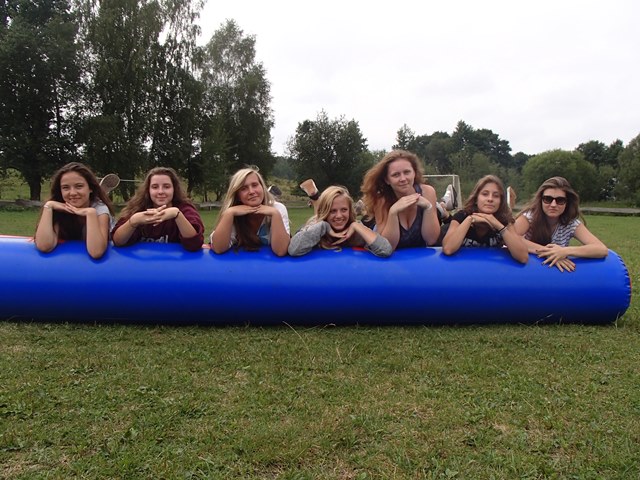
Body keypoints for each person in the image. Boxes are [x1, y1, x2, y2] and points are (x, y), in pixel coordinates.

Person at [514, 176, 608, 272]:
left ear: (567, 203)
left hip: (556, 275)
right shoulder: (529, 217)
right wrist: (549, 252)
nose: (553, 205)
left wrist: (565, 251)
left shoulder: (571, 223)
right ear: (540, 200)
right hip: (528, 270)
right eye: (547, 199)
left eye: (560, 200)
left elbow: (601, 249)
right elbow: (511, 238)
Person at [360, 150, 440, 250]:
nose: (403, 179)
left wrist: (428, 208)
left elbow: (431, 239)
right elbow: (388, 247)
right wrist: (393, 213)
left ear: (414, 173)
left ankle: (440, 209)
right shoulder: (381, 200)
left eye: (407, 172)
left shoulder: (427, 192)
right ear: (387, 180)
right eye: (396, 175)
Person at [111, 167, 204, 252]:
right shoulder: (137, 208)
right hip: (143, 263)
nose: (160, 191)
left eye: (166, 187)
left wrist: (177, 215)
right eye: (155, 187)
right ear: (148, 190)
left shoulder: (185, 210)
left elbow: (195, 244)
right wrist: (133, 221)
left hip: (176, 263)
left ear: (174, 189)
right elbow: (117, 241)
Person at [35, 162, 115, 259]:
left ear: (90, 188)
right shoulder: (58, 208)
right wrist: (48, 206)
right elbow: (44, 246)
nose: (72, 193)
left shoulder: (100, 209)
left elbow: (96, 252)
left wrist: (90, 213)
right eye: (65, 188)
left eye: (79, 186)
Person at [441, 174, 528, 263]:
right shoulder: (462, 216)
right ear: (476, 198)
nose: (490, 199)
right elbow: (448, 249)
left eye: (496, 196)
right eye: (485, 194)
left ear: (501, 201)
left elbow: (523, 257)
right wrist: (470, 219)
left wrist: (497, 224)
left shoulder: (504, 221)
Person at [288, 185, 392, 257]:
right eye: (332, 211)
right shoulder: (315, 227)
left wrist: (356, 225)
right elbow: (293, 250)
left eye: (344, 210)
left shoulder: (355, 231)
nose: (339, 216)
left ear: (350, 211)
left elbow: (386, 250)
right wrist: (324, 227)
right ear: (325, 211)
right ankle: (314, 196)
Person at [210, 167, 290, 256]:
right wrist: (229, 213)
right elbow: (218, 248)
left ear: (262, 187)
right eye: (243, 188)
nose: (251, 191)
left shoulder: (277, 208)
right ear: (237, 196)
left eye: (255, 185)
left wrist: (275, 214)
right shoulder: (232, 213)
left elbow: (280, 251)